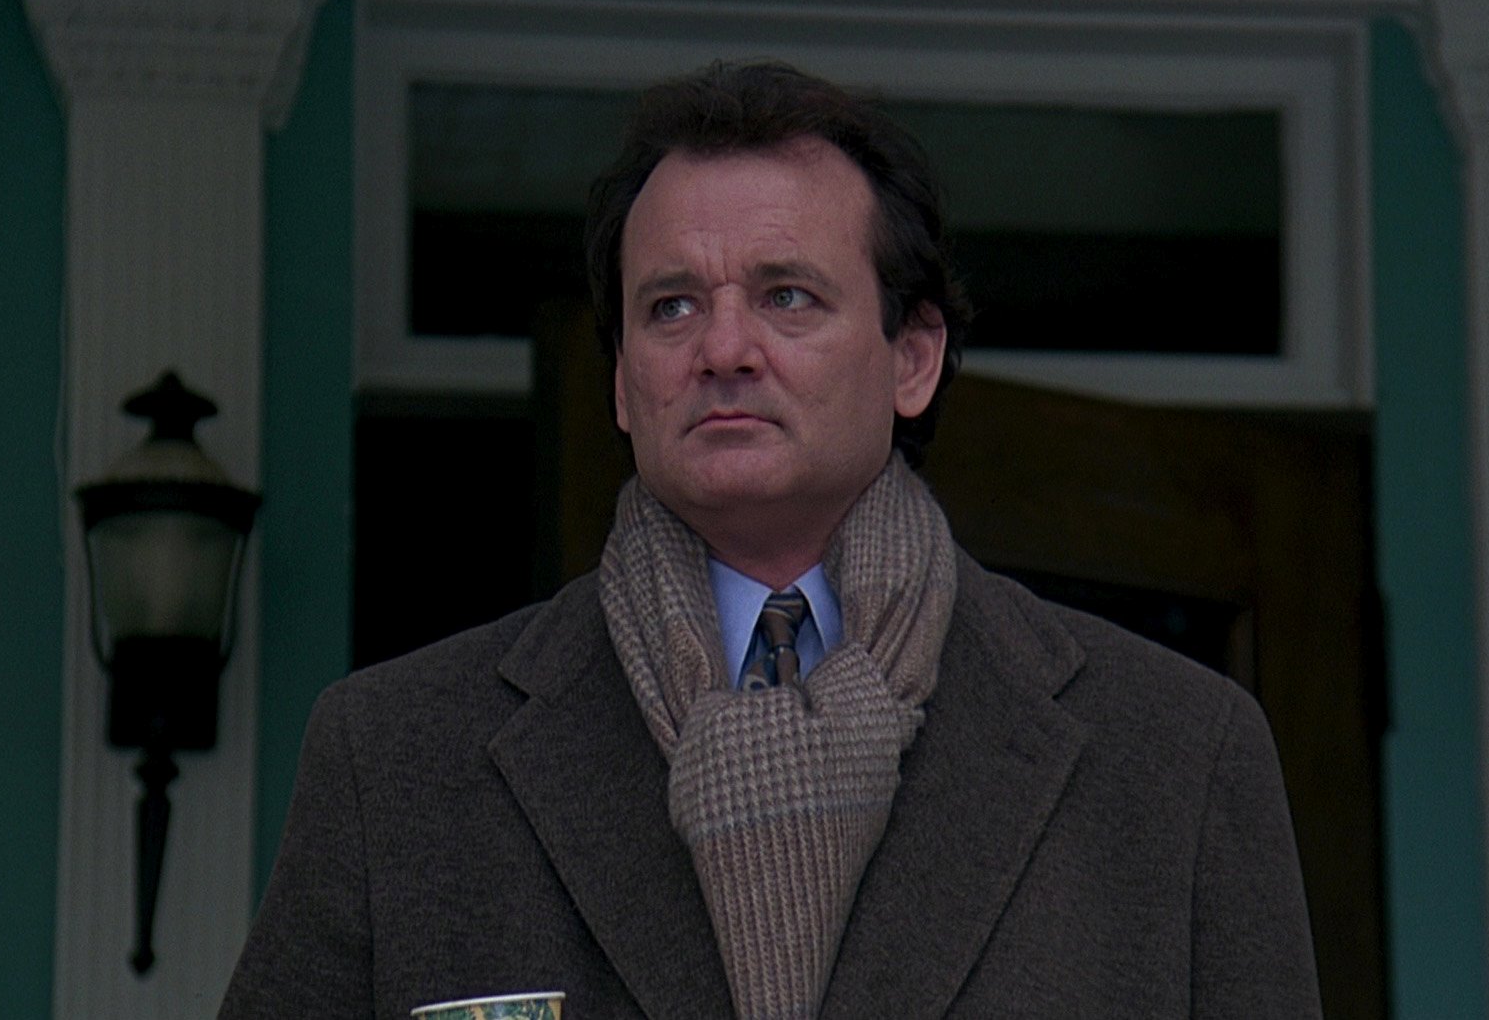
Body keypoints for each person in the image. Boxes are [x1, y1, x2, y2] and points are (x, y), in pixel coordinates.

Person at [222, 60, 1320, 1019]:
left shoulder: (1175, 755)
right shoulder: (395, 758)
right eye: (671, 306)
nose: (724, 348)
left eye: (787, 296)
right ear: (621, 381)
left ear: (913, 357)